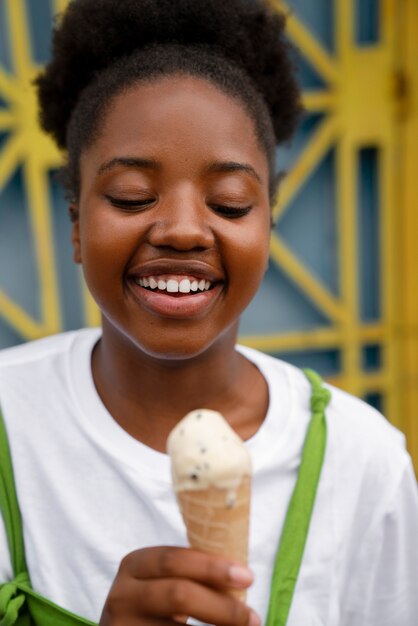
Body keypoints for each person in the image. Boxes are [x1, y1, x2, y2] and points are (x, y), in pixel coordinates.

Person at [0, 0, 417, 625]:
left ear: (268, 229)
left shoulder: (361, 464)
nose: (183, 230)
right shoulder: (10, 420)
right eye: (132, 195)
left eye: (228, 203)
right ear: (77, 226)